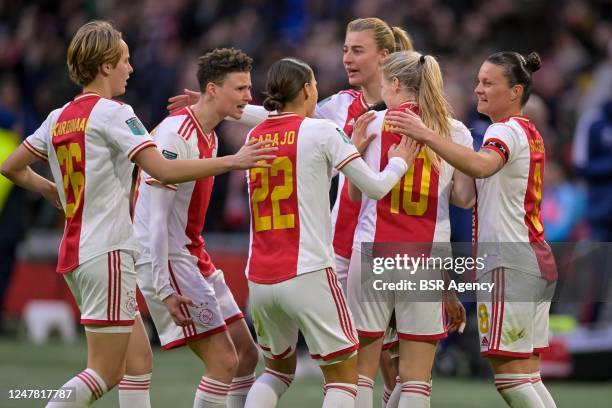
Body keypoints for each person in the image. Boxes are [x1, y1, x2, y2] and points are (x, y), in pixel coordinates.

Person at [0, 21, 275, 408]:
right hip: (109, 251)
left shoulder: (58, 116)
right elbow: (161, 170)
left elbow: (11, 166)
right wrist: (233, 161)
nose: (131, 68)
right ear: (106, 65)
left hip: (77, 253)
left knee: (139, 364)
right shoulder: (115, 113)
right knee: (104, 372)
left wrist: (50, 190)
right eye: (125, 60)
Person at [168, 18, 414, 405]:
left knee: (374, 362)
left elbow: (282, 125)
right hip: (331, 253)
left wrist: (224, 108)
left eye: (356, 50)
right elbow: (289, 123)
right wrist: (230, 108)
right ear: (307, 91)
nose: (346, 58)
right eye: (345, 49)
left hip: (317, 259)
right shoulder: (334, 114)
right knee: (356, 366)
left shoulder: (408, 109)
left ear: (385, 56)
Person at [243, 57, 419, 408]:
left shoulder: (255, 134)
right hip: (307, 271)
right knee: (344, 376)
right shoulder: (323, 131)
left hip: (259, 277)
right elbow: (375, 188)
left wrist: (349, 146)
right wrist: (400, 159)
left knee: (276, 372)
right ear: (307, 89)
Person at [386, 51, 558, 408]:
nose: (478, 89)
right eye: (478, 80)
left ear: (515, 92)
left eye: (488, 83)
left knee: (511, 379)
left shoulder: (504, 130)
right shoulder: (527, 131)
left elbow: (482, 166)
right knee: (527, 374)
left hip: (509, 263)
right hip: (533, 256)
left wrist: (427, 135)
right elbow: (466, 195)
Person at [132, 47, 259, 408]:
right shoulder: (176, 135)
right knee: (224, 361)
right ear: (213, 90)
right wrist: (163, 287)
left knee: (246, 355)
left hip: (193, 254)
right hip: (169, 258)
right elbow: (154, 219)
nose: (248, 97)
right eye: (241, 89)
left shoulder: (211, 136)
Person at [346, 51, 472, 408]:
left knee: (359, 377)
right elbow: (464, 198)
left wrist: (353, 153)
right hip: (424, 258)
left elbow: (356, 194)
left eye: (384, 83)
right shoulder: (455, 131)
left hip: (373, 252)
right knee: (417, 381)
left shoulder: (371, 124)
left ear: (397, 84)